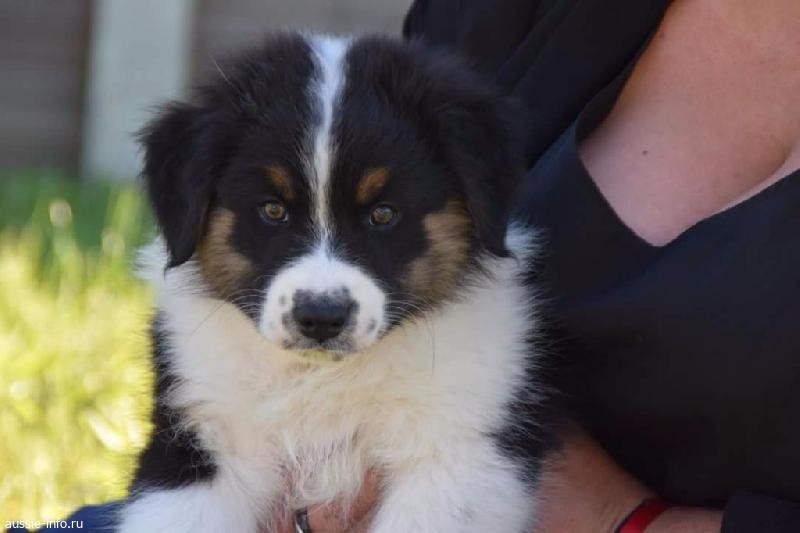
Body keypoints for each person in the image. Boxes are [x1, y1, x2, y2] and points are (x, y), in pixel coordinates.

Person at [30, 0, 800, 531]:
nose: (322, 285)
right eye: (272, 214)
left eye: (382, 218)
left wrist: (619, 518)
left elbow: (461, 473)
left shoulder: (470, 329)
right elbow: (196, 474)